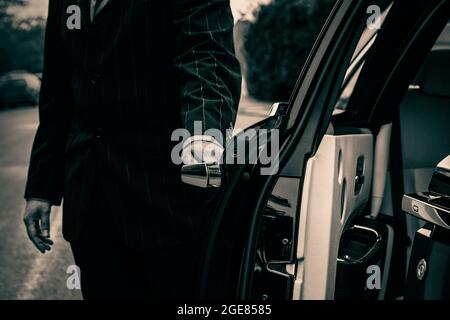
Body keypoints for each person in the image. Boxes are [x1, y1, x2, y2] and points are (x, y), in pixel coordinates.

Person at [22, 0, 241, 299]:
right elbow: (57, 91)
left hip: (165, 197)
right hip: (89, 197)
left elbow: (206, 55)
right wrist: (41, 188)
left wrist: (203, 136)